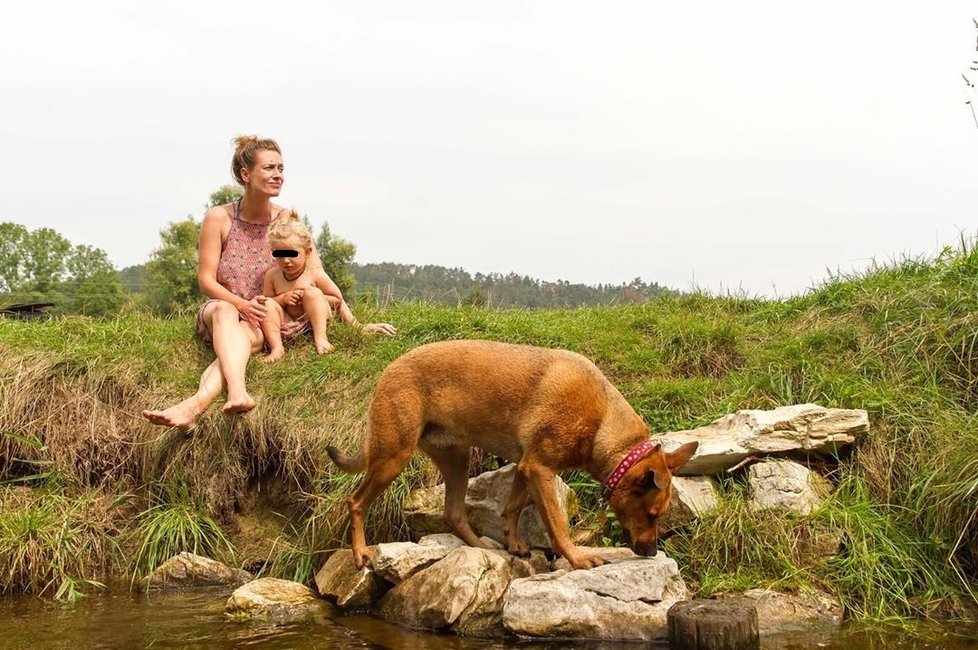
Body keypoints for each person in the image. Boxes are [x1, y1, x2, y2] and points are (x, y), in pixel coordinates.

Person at [142, 135, 391, 430]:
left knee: (239, 344)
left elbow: (318, 275)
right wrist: (241, 304)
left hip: (265, 318)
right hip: (225, 307)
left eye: (281, 168)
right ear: (245, 175)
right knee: (223, 310)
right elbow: (206, 281)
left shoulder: (286, 221)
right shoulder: (219, 218)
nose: (278, 175)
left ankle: (193, 407)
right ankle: (237, 391)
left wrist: (356, 324)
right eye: (270, 168)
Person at [261, 211, 396, 362]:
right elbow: (268, 301)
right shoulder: (272, 275)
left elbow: (338, 300)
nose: (286, 261)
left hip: (312, 322)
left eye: (292, 254)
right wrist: (283, 298)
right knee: (267, 304)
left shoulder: (314, 274)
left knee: (312, 293)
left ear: (307, 252)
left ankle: (321, 338)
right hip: (288, 323)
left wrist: (311, 298)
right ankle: (277, 347)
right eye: (279, 255)